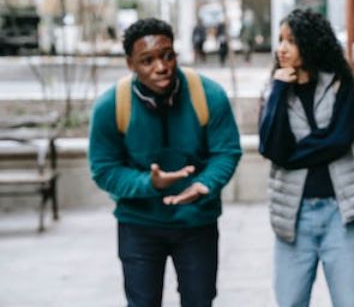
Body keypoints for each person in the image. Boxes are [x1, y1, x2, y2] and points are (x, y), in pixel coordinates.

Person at [88, 18, 242, 307]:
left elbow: (227, 151)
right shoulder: (112, 105)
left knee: (200, 301)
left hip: (197, 222)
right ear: (130, 64)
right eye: (147, 60)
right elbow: (104, 169)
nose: (161, 67)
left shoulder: (208, 95)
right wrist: (150, 183)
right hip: (139, 225)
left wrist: (204, 184)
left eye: (167, 55)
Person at [259, 9, 354, 307]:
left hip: (341, 214)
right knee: (290, 302)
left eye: (291, 41)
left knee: (351, 303)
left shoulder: (339, 82)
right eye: (280, 40)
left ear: (310, 43)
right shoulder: (274, 89)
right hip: (293, 217)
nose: (282, 48)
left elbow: (339, 140)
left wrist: (290, 155)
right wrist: (279, 89)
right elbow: (270, 147)